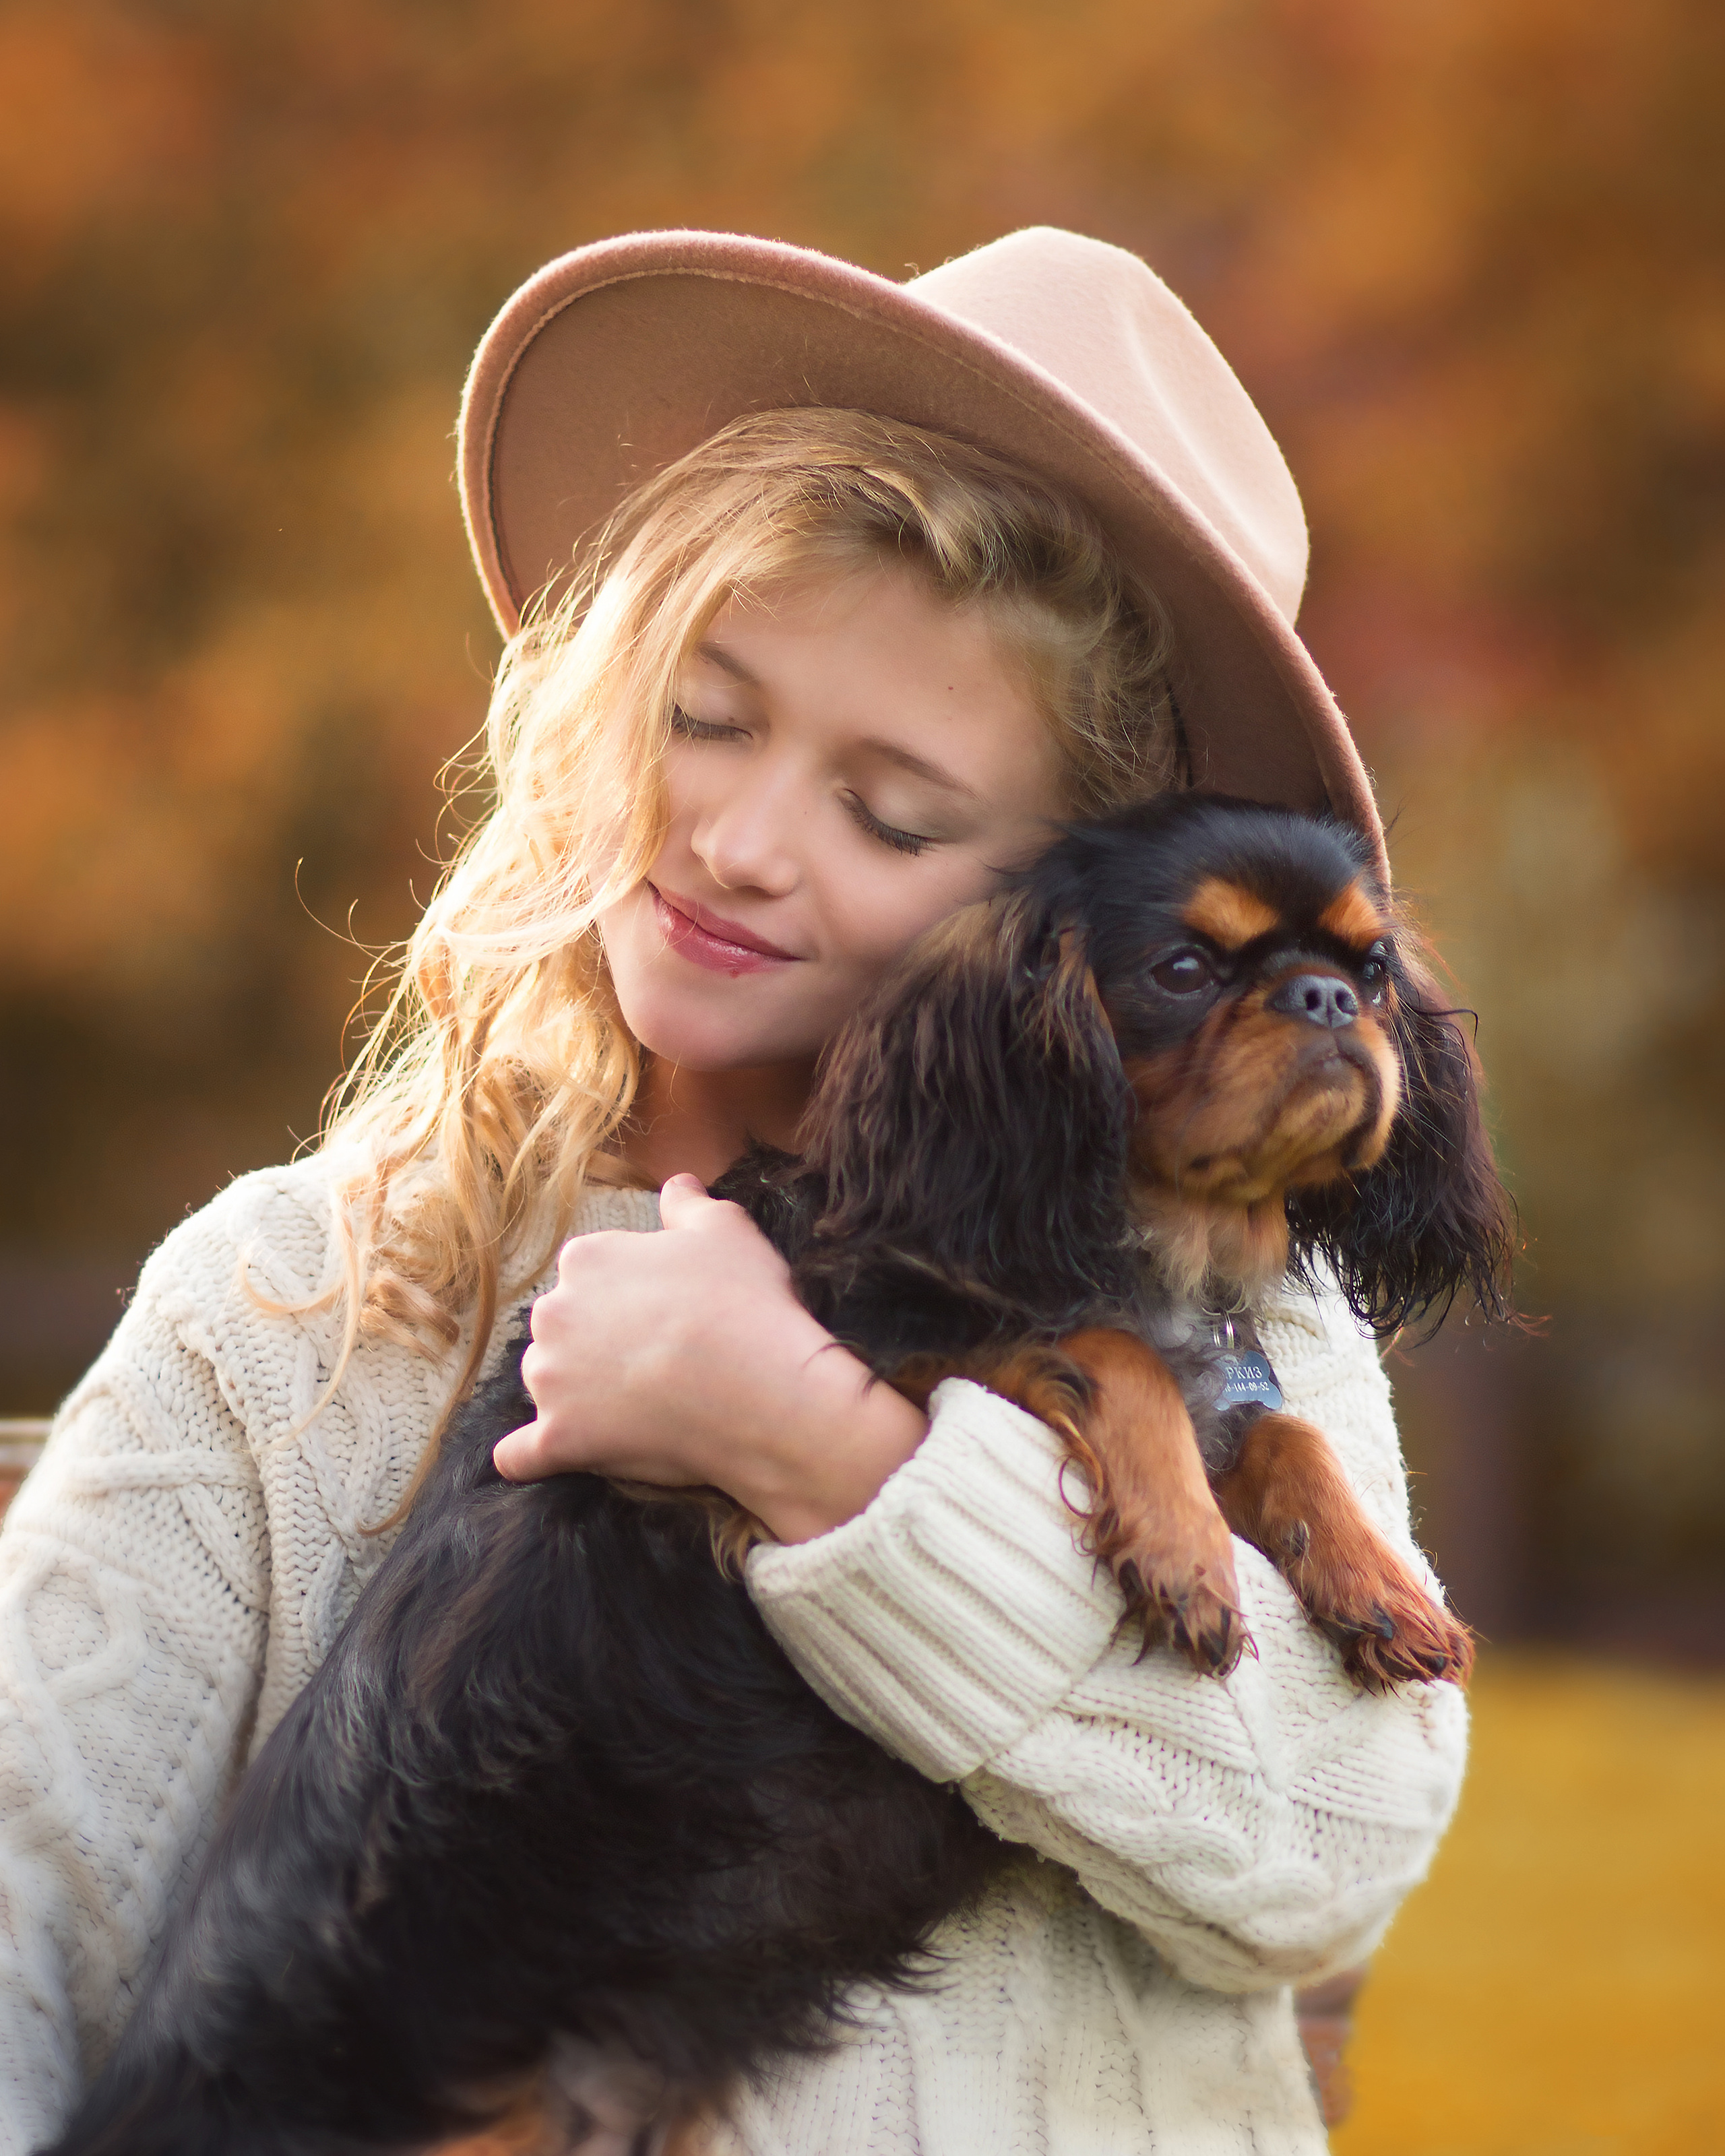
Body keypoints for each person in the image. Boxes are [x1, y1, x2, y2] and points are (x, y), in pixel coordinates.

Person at [0, 229, 1467, 2155]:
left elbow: (1328, 1858)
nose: (745, 842)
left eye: (893, 815)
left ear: (1055, 922)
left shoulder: (1236, 1306)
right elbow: (24, 1918)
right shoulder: (297, 1310)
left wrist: (819, 1454)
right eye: (705, 716)